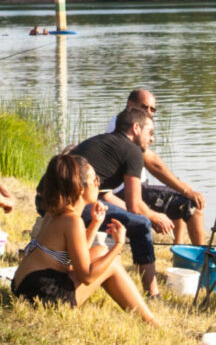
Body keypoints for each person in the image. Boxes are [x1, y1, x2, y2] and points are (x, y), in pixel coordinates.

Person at [11, 154, 161, 325]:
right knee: (112, 263)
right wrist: (119, 245)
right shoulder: (72, 221)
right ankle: (151, 322)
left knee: (101, 250)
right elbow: (87, 276)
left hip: (23, 286)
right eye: (94, 179)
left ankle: (148, 317)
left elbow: (76, 256)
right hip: (43, 294)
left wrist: (96, 223)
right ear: (80, 187)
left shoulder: (56, 212)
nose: (99, 183)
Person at [64, 109, 171, 296]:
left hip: (49, 199)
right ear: (136, 128)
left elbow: (106, 195)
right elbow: (135, 206)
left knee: (134, 219)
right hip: (68, 207)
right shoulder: (133, 151)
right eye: (150, 132)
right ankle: (152, 293)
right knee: (142, 224)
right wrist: (155, 216)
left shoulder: (102, 142)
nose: (152, 139)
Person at [103, 89, 206, 245]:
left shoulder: (126, 121)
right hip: (124, 192)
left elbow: (152, 158)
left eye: (152, 109)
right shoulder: (129, 126)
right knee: (192, 206)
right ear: (130, 104)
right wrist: (186, 190)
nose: (149, 112)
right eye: (144, 107)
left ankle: (178, 249)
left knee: (178, 195)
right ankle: (202, 259)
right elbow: (153, 164)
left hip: (134, 186)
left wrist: (181, 187)